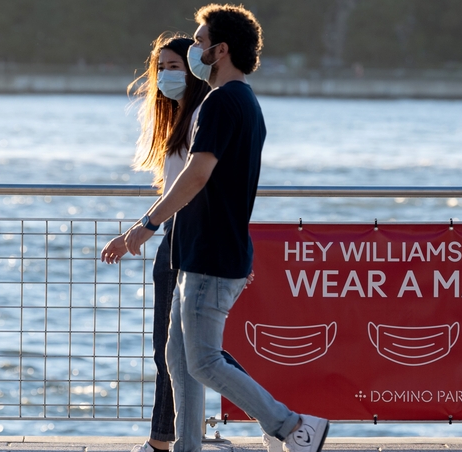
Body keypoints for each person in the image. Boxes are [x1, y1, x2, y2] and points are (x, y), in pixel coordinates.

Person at [123, 4, 329, 452]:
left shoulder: (222, 101)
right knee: (180, 362)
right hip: (203, 252)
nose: (194, 48)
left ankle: (294, 427)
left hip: (212, 255)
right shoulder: (242, 100)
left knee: (202, 362)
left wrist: (148, 223)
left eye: (199, 41)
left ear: (221, 49)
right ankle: (187, 447)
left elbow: (197, 174)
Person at [100, 33, 210, 452]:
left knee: (188, 354)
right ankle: (165, 441)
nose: (165, 75)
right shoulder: (181, 118)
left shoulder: (202, 115)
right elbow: (174, 190)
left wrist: (143, 228)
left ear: (196, 68)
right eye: (160, 68)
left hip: (188, 243)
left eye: (175, 66)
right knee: (179, 353)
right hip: (173, 239)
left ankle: (282, 417)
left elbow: (197, 186)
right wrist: (142, 227)